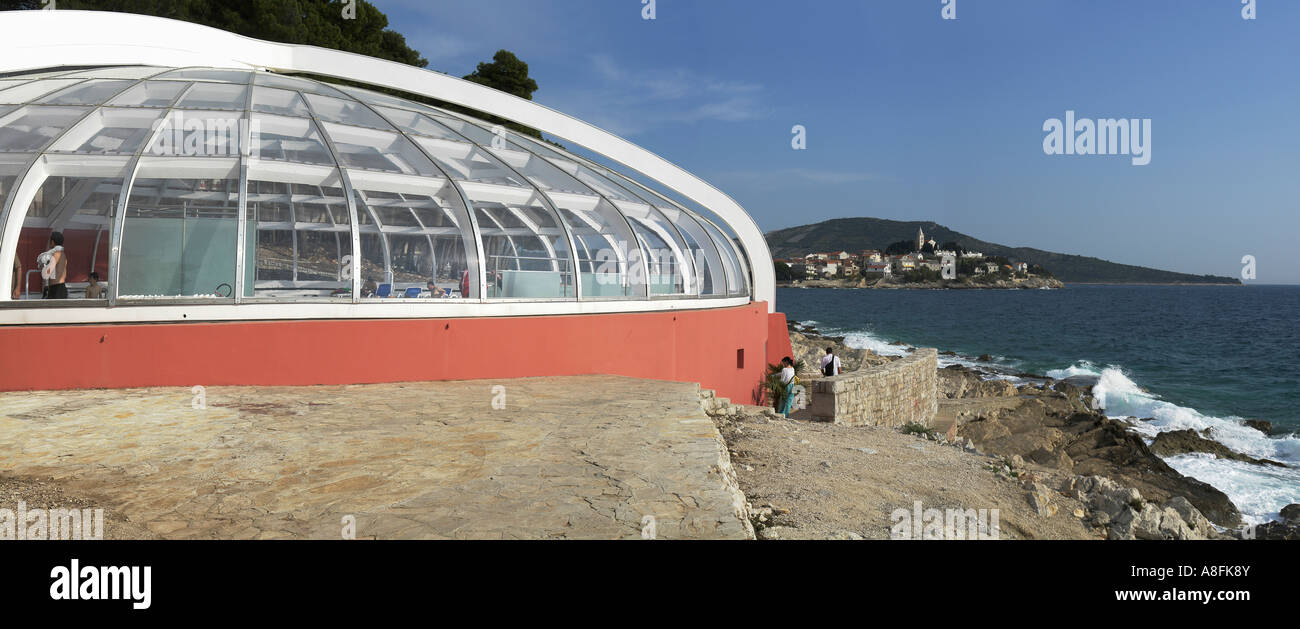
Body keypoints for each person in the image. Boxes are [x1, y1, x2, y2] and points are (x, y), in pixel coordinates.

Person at [39, 231, 68, 299]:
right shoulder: (63, 254)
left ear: (52, 242)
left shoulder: (56, 254)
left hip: (57, 289)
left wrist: (42, 265)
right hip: (59, 287)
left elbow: (47, 272)